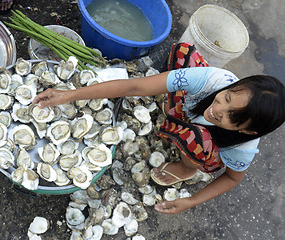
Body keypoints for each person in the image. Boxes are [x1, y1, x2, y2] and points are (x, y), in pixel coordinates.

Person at [32, 42, 285, 214]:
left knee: (196, 138)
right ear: (233, 85)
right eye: (228, 97)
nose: (219, 109)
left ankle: (186, 167)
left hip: (206, 148)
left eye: (232, 116)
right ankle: (182, 117)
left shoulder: (244, 146)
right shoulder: (214, 81)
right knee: (183, 52)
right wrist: (69, 95)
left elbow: (232, 178)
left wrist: (190, 200)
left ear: (247, 130)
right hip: (191, 107)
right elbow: (135, 87)